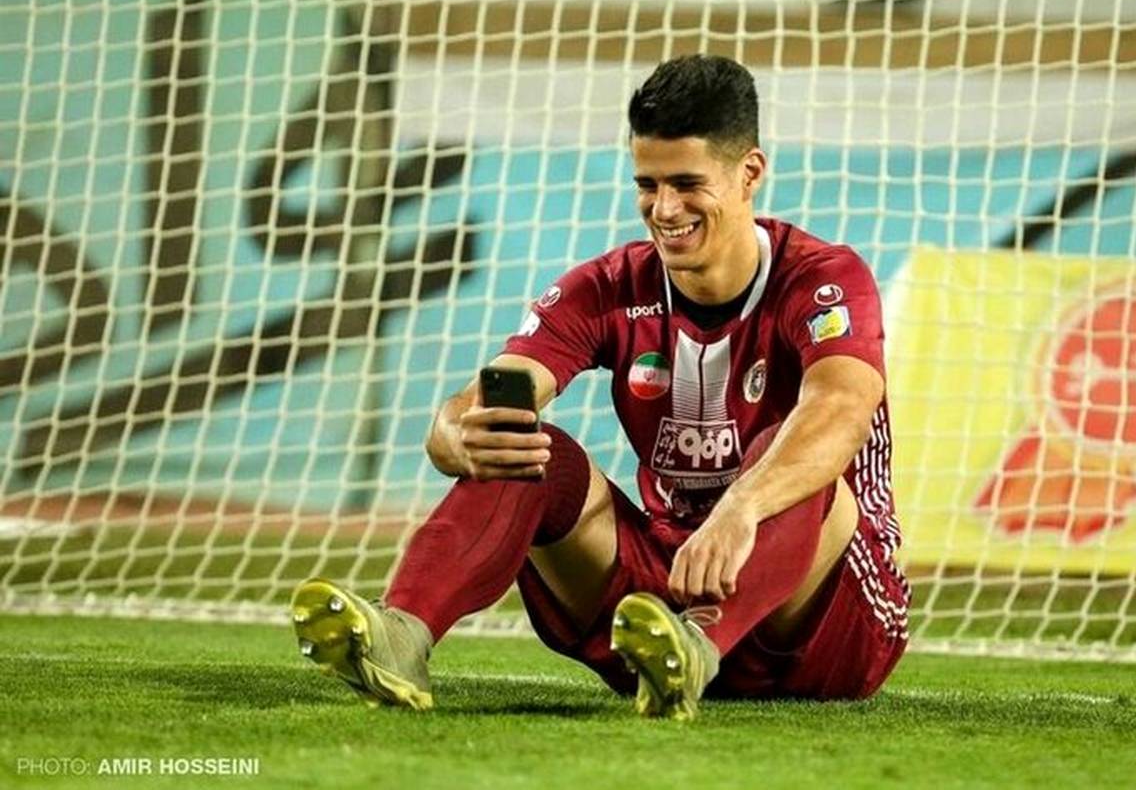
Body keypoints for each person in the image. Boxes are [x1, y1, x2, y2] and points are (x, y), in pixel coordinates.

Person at [290, 54, 909, 720]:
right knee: (530, 447)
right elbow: (492, 394)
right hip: (663, 601)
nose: (664, 209)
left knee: (792, 456)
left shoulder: (823, 279)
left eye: (687, 183)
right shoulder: (609, 286)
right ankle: (401, 634)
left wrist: (741, 508)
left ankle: (699, 645)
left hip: (823, 622)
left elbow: (841, 407)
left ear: (750, 173)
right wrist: (456, 433)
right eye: (648, 184)